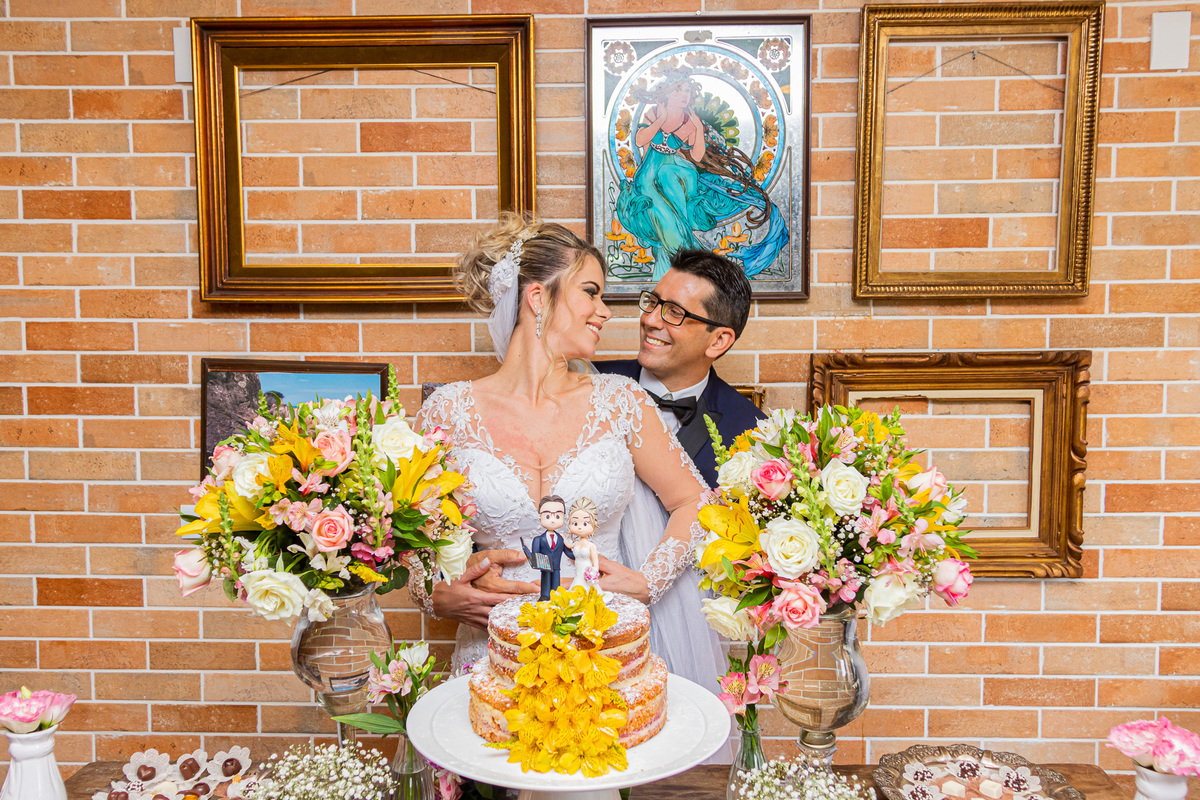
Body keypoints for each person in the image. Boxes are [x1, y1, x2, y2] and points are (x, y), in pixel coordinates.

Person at [407, 214, 719, 697]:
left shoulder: (620, 401)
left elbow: (695, 501)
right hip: (493, 660)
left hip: (605, 656)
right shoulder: (447, 411)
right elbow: (411, 541)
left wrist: (648, 582)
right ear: (538, 297)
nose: (604, 311)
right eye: (591, 292)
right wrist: (435, 595)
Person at [597, 247, 767, 488]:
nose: (650, 320)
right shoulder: (590, 381)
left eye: (675, 312)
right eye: (652, 302)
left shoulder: (752, 430)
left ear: (718, 341)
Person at [615, 67, 788, 280]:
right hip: (649, 177)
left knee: (669, 179)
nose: (684, 95)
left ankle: (683, 268)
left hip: (678, 174)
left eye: (688, 91)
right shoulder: (653, 114)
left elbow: (697, 157)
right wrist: (661, 120)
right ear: (667, 93)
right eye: (679, 90)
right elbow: (640, 140)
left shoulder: (690, 121)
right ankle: (701, 267)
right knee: (664, 212)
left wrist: (697, 127)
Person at [530, 495, 574, 600]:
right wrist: (536, 561)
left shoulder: (561, 539)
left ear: (564, 516)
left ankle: (556, 596)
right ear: (540, 516)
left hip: (556, 567)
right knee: (545, 581)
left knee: (556, 583)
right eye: (547, 516)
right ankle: (545, 595)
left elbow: (568, 553)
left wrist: (579, 555)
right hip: (544, 567)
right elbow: (535, 555)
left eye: (557, 516)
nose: (553, 520)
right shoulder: (538, 539)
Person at [566, 497, 601, 592]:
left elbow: (595, 561)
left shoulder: (591, 546)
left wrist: (594, 572)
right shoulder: (576, 543)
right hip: (578, 570)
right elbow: (568, 546)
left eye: (585, 523)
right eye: (575, 523)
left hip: (587, 570)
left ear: (594, 522)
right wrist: (563, 538)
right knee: (577, 583)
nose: (580, 528)